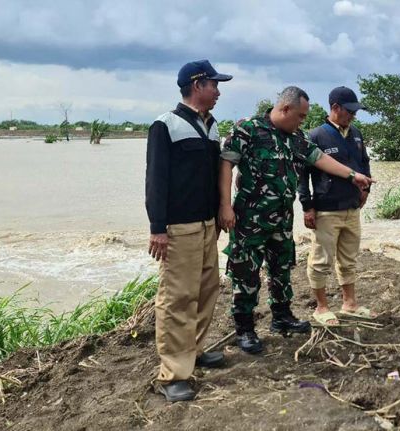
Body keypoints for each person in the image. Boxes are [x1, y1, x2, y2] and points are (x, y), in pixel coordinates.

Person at [218, 86, 373, 354]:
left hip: (281, 218)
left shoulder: (295, 137)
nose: (303, 121)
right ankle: (245, 329)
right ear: (285, 109)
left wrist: (352, 176)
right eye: (301, 116)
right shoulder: (248, 129)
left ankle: (282, 317)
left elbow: (320, 158)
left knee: (281, 271)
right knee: (246, 275)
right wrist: (224, 207)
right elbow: (225, 165)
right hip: (250, 219)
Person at [145, 60, 232, 402]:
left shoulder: (210, 127)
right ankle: (174, 374)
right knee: (178, 297)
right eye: (214, 84)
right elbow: (155, 180)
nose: (218, 91)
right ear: (197, 85)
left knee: (207, 288)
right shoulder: (164, 125)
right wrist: (157, 228)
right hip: (178, 228)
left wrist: (219, 214)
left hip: (207, 225)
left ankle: (194, 351)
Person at [298, 86, 375, 326]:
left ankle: (349, 303)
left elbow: (364, 164)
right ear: (335, 108)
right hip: (326, 209)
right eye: (349, 111)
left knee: (349, 258)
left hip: (352, 208)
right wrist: (307, 206)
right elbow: (303, 176)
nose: (352, 116)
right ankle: (321, 307)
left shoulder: (356, 134)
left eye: (354, 112)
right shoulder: (316, 136)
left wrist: (366, 190)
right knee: (321, 260)